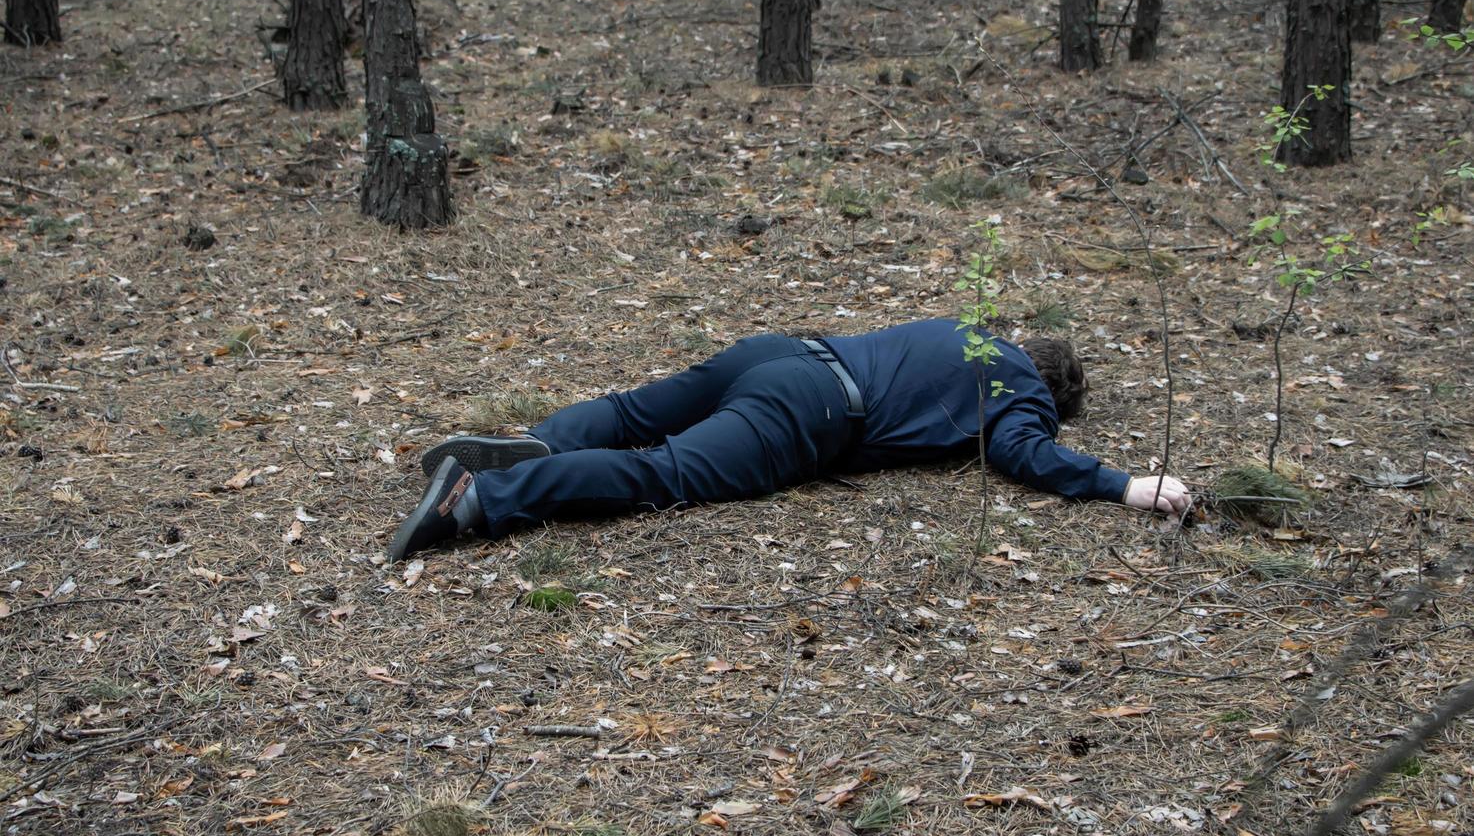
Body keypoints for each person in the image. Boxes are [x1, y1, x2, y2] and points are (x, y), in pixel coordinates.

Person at [388, 319, 1191, 561]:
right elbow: (1024, 452)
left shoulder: (971, 332)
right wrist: (1123, 485)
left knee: (633, 413)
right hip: (811, 410)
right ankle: (483, 497)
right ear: (1051, 388)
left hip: (781, 354)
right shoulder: (1018, 388)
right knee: (665, 471)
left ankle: (530, 442)